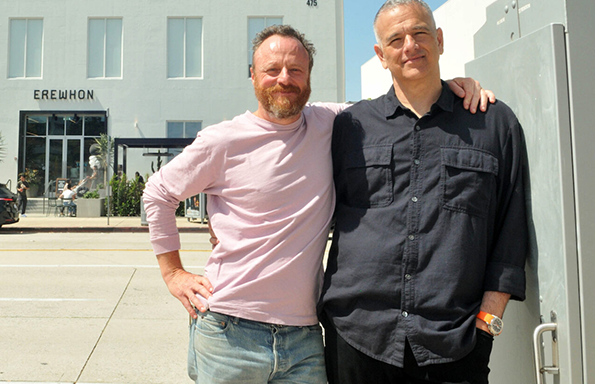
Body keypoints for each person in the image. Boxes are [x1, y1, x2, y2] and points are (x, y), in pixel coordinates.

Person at [145, 24, 492, 384]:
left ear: (309, 76)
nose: (284, 79)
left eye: (296, 70)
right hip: (229, 332)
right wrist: (174, 273)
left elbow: (401, 105)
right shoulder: (223, 140)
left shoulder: (333, 122)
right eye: (272, 70)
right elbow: (158, 194)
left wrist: (452, 86)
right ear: (252, 75)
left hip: (305, 337)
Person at [320, 0, 529, 384]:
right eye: (396, 39)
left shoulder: (494, 124)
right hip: (356, 337)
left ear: (440, 40)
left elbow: (510, 235)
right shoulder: (349, 127)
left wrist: (488, 323)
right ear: (381, 55)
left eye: (420, 33)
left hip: (456, 342)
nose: (410, 46)